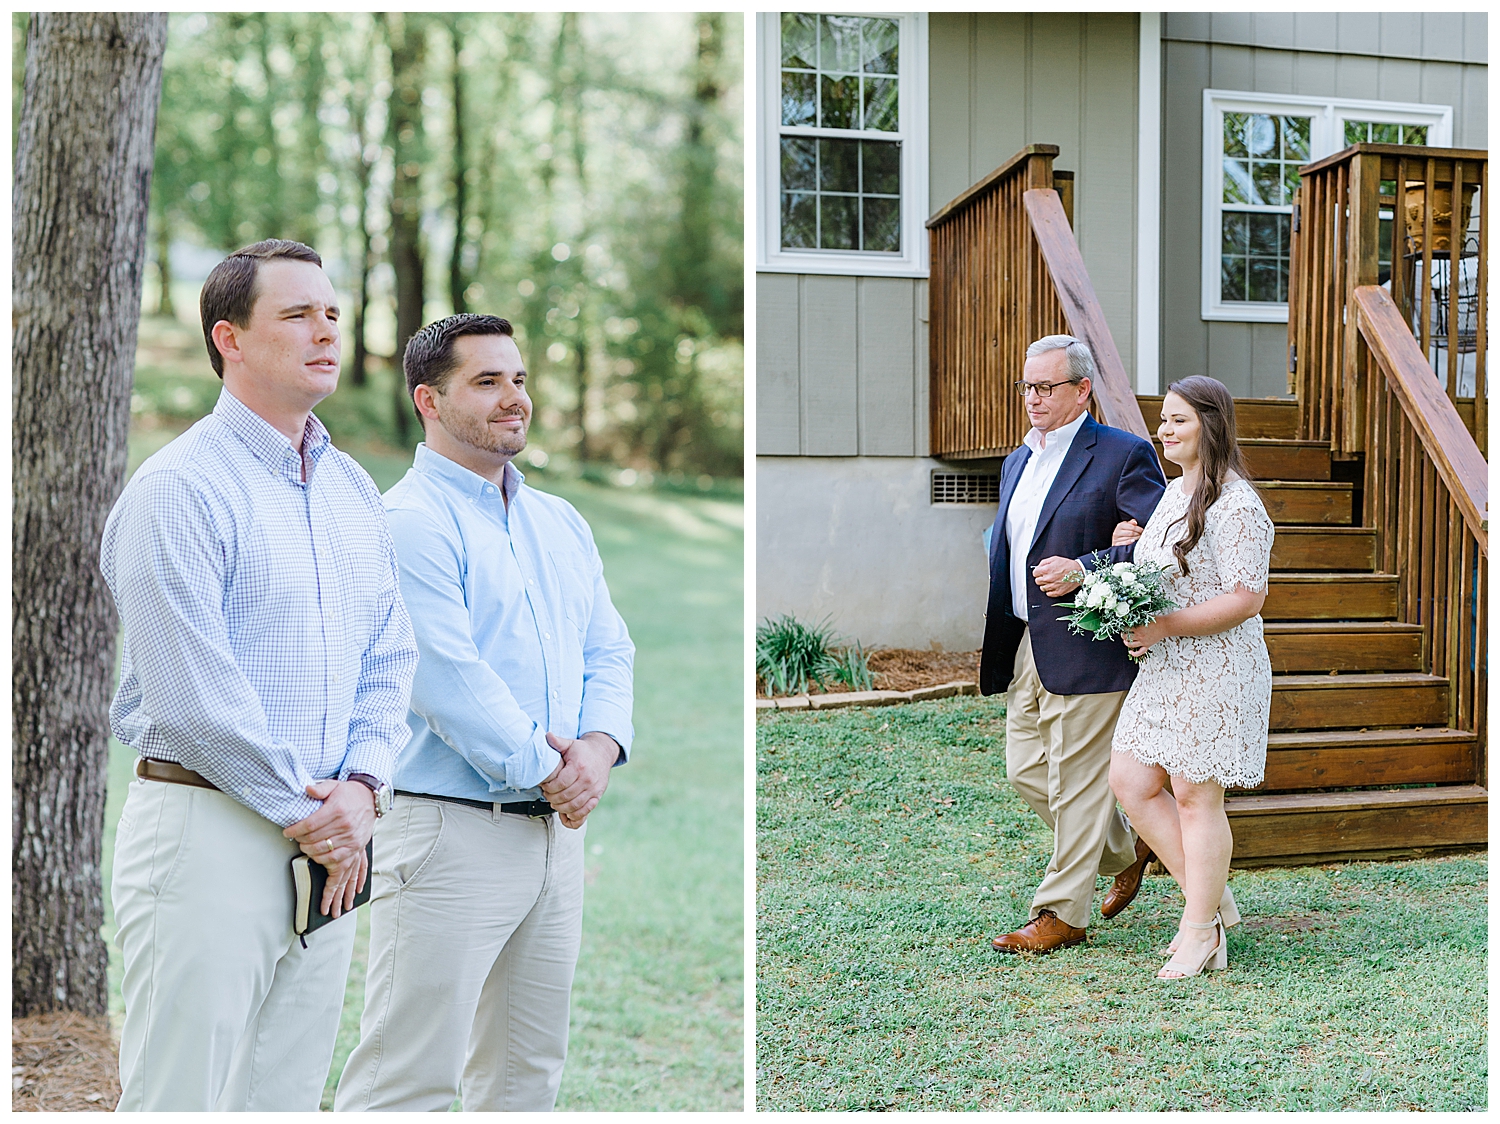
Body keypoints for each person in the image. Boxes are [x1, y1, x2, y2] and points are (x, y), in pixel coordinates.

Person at [101, 239, 418, 1111]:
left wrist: (362, 788)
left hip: (333, 845)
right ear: (229, 338)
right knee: (181, 1098)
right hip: (210, 833)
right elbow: (192, 694)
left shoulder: (352, 488)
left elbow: (391, 655)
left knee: (281, 1096)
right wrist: (311, 811)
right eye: (296, 314)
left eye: (332, 315)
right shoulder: (180, 489)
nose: (326, 331)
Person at [334, 313, 635, 1111]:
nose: (514, 399)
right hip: (447, 836)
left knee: (524, 1076)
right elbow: (445, 680)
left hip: (552, 841)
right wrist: (555, 772)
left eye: (520, 379)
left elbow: (608, 650)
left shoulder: (559, 523)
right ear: (430, 401)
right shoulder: (408, 523)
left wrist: (598, 751)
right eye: (488, 382)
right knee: (407, 1078)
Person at [981, 334, 1168, 955]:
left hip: (1090, 641)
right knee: (1026, 770)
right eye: (1026, 387)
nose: (1032, 399)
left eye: (1046, 387)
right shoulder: (1017, 461)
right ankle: (1129, 847)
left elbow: (1163, 544)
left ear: (1082, 389)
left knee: (1079, 781)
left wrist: (1095, 560)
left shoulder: (1122, 453)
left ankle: (1062, 912)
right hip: (1028, 639)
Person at [1108, 376, 1275, 979]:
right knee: (1130, 780)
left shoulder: (1238, 505)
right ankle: (1213, 896)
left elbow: (1246, 598)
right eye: (1162, 421)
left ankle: (1200, 930)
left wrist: (1164, 625)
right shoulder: (1173, 493)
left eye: (1177, 420)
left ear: (1211, 424)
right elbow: (1166, 573)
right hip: (1166, 664)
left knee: (1195, 794)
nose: (1164, 430)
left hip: (1219, 665)